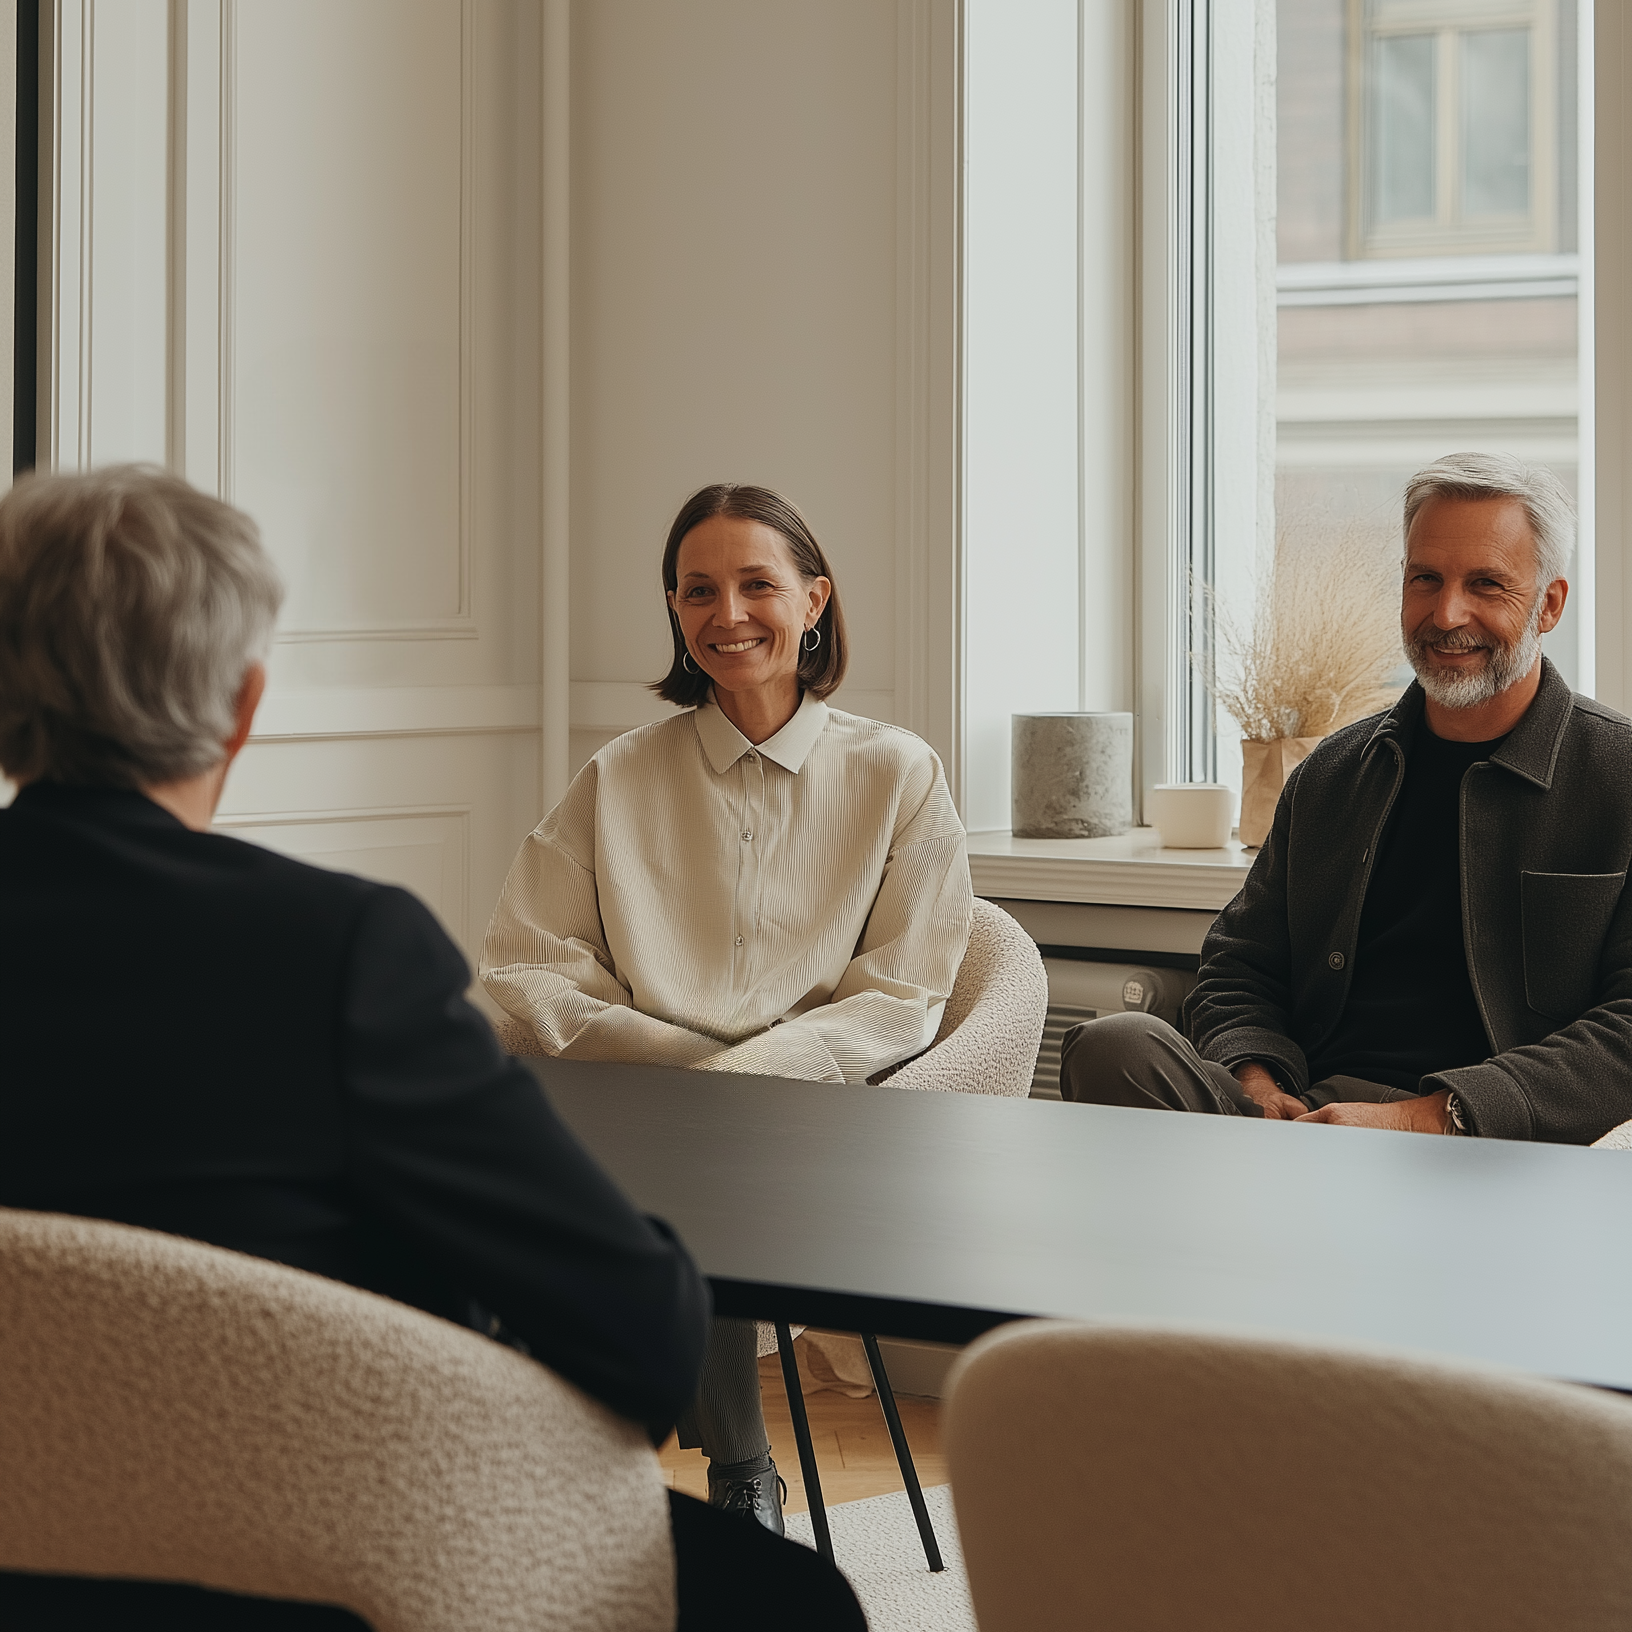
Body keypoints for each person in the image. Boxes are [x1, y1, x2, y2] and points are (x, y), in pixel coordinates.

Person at [0, 465, 864, 1631]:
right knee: (792, 1603)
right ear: (242, 706)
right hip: (319, 1564)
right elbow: (644, 1338)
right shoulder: (337, 951)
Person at [482, 482, 973, 1531]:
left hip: (820, 1117)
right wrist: (668, 1061)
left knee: (711, 1161)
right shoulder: (619, 776)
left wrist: (752, 1078)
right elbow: (525, 959)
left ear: (815, 601)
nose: (728, 613)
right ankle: (530, 1469)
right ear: (675, 612)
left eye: (758, 584)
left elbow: (906, 993)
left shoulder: (898, 773)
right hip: (645, 1099)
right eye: (698, 591)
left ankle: (732, 1471)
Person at [1060, 451, 1632, 1145]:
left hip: (1481, 1142)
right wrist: (1256, 1080)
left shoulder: (1617, 775)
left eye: (1486, 584)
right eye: (1426, 579)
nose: (1447, 613)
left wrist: (1435, 1115)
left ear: (1549, 603)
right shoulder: (1332, 772)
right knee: (1114, 1046)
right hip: (1305, 1121)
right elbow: (1240, 964)